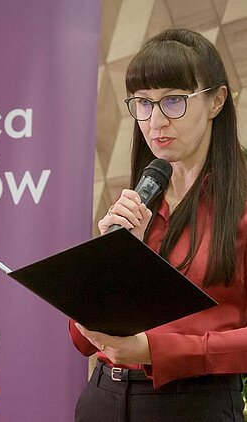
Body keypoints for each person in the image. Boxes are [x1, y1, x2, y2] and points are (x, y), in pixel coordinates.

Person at [69, 28, 247, 421]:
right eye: (143, 103)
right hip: (103, 396)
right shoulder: (140, 200)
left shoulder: (240, 204)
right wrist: (114, 258)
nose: (156, 121)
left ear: (217, 101)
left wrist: (155, 350)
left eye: (173, 100)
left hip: (194, 402)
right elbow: (82, 340)